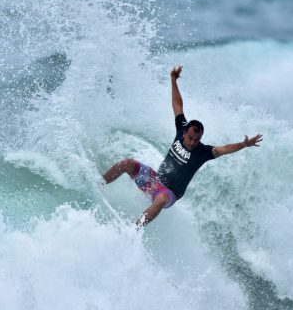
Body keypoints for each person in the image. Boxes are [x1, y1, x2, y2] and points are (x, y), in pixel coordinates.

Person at [101, 65, 263, 227]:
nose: (193, 143)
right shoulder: (181, 129)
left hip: (168, 193)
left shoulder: (203, 152)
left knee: (161, 199)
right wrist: (173, 80)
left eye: (197, 140)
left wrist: (244, 144)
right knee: (127, 163)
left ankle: (134, 228)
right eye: (191, 138)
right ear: (185, 133)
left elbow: (225, 149)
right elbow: (177, 105)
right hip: (153, 180)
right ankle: (98, 185)